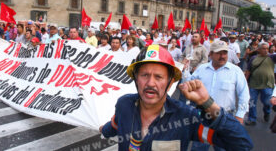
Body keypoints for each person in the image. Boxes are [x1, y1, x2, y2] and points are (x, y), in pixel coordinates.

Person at [99, 44, 253, 150]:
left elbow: (241, 144)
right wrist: (103, 129)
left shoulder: (186, 117)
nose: (150, 83)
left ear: (170, 81)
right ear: (135, 78)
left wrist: (208, 104)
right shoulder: (124, 104)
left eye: (158, 77)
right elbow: (115, 125)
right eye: (144, 75)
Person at [190, 40, 250, 151]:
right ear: (211, 54)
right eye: (219, 53)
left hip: (225, 119)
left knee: (223, 148)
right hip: (204, 118)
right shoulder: (202, 69)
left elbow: (244, 95)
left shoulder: (235, 71)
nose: (222, 56)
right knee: (198, 148)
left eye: (225, 53)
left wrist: (240, 115)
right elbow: (189, 85)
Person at [245, 42, 275, 126]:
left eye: (267, 49)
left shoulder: (272, 57)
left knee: (266, 102)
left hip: (267, 85)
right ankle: (252, 119)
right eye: (263, 48)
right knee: (252, 101)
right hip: (254, 84)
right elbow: (248, 70)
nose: (266, 50)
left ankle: (267, 111)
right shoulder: (253, 58)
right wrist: (245, 81)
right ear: (258, 49)